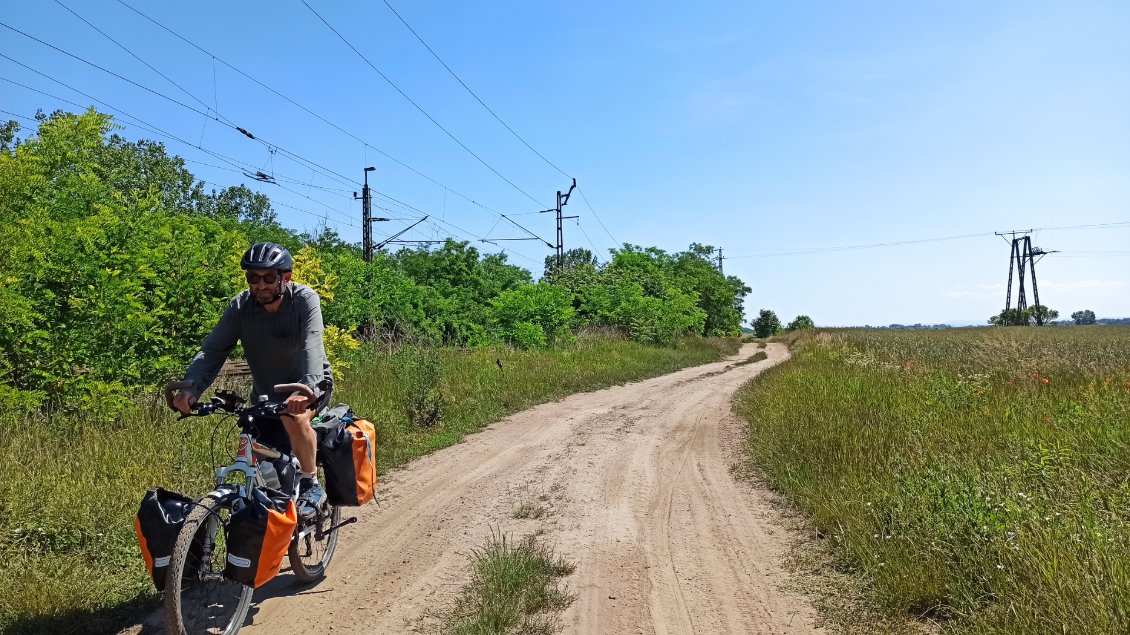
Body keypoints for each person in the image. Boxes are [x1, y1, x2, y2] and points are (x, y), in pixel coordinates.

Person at [172, 242, 333, 515]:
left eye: (269, 278)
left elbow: (311, 345)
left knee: (293, 418)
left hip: (310, 385)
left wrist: (306, 388)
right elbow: (213, 350)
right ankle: (280, 515)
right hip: (266, 395)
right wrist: (192, 387)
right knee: (259, 457)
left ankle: (310, 482)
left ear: (286, 277)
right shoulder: (241, 306)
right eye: (253, 279)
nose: (260, 285)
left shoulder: (304, 300)